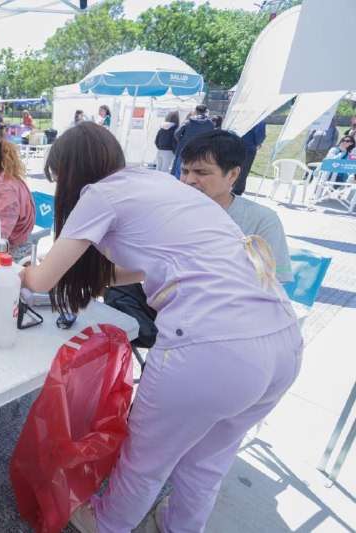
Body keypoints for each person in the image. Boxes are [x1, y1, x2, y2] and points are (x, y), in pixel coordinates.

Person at [22, 122, 301, 533]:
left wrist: (22, 274)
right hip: (282, 342)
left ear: (72, 171)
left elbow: (43, 281)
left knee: (145, 459)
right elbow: (143, 268)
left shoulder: (98, 193)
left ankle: (106, 523)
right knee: (208, 460)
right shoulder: (156, 183)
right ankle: (177, 526)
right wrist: (85, 279)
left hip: (212, 348)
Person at [181, 130, 293, 282]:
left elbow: (273, 283)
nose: (189, 180)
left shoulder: (262, 220)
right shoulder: (171, 212)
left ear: (232, 175)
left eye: (201, 172)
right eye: (184, 171)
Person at [172, 104, 215, 178]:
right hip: (201, 151)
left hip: (184, 148)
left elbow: (177, 134)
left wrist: (182, 140)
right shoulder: (210, 124)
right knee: (196, 171)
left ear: (195, 111)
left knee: (179, 170)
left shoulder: (188, 122)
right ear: (206, 111)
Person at [232, 119, 267, 196]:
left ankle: (231, 185)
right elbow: (260, 135)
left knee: (233, 166)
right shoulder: (259, 120)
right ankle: (237, 189)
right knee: (244, 169)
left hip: (235, 145)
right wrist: (258, 143)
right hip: (248, 147)